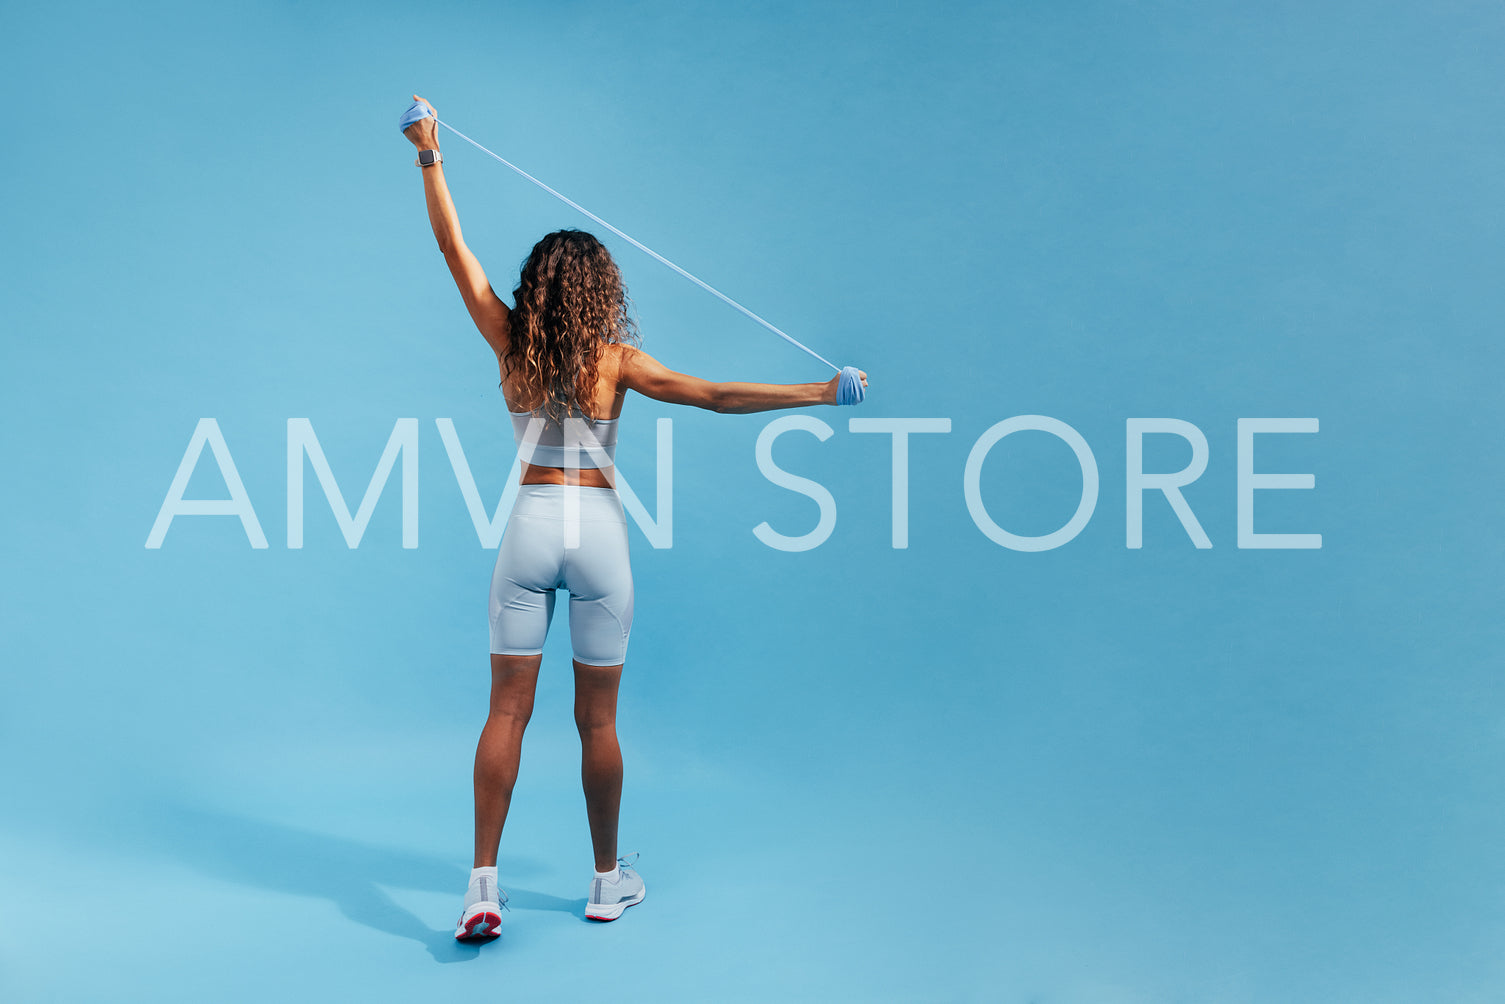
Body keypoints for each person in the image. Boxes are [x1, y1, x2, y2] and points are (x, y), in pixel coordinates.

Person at [402, 95, 867, 941]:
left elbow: (452, 247)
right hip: (598, 533)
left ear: (536, 287)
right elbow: (714, 395)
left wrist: (429, 152)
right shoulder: (615, 360)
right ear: (600, 291)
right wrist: (820, 391)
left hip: (530, 523)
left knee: (506, 711)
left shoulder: (507, 341)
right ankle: (607, 882)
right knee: (599, 721)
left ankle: (480, 887)